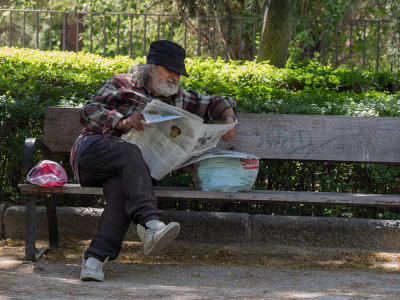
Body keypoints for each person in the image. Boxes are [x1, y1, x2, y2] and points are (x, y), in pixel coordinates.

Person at [70, 40, 237, 282]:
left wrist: (227, 116)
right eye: (170, 70)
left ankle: (94, 258)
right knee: (129, 151)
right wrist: (122, 121)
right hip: (93, 152)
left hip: (126, 170)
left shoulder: (178, 98)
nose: (176, 77)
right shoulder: (122, 83)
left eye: (179, 73)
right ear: (151, 68)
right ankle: (150, 221)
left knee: (121, 188)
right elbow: (88, 112)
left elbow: (217, 100)